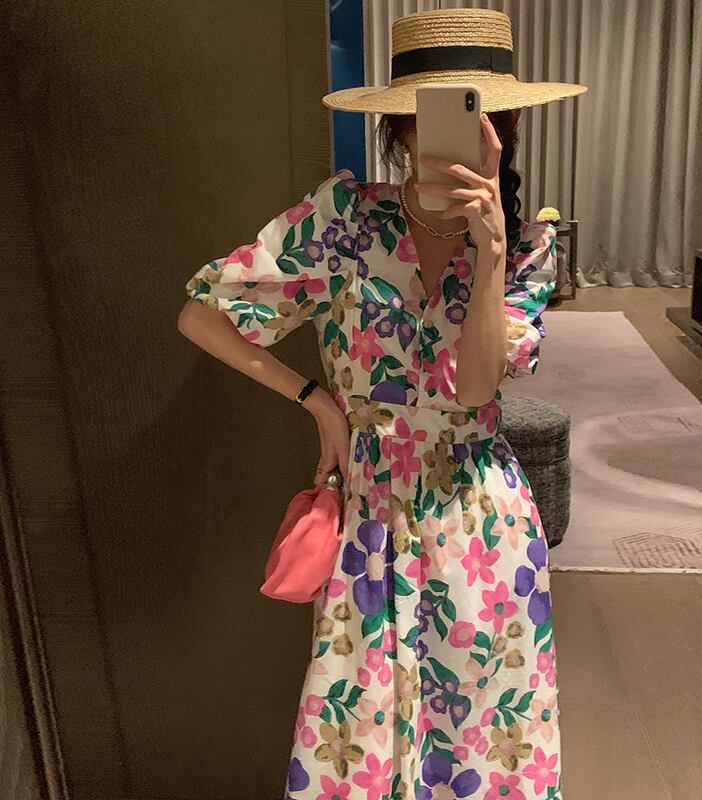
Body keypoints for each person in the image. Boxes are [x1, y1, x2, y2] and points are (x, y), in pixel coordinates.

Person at [178, 8, 586, 799]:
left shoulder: (526, 249)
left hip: (480, 527)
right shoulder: (343, 221)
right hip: (371, 518)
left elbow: (475, 388)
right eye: (440, 116)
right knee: (358, 744)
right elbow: (203, 314)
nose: (465, 137)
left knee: (482, 743)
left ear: (503, 133)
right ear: (400, 128)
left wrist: (490, 250)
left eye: (487, 119)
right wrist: (318, 403)